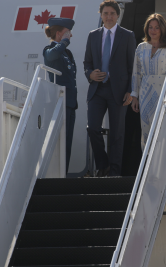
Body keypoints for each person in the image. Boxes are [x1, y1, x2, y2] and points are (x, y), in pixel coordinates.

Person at [84, 0, 136, 177]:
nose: (109, 17)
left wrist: (131, 90)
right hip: (97, 90)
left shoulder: (127, 35)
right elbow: (87, 63)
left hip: (119, 92)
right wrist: (90, 74)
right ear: (101, 15)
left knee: (117, 134)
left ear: (117, 15)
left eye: (112, 13)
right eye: (105, 13)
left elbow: (132, 67)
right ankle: (103, 164)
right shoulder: (93, 35)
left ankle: (114, 172)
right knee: (92, 128)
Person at [130, 14, 166, 149]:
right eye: (150, 27)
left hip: (164, 95)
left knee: (163, 132)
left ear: (162, 29)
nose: (153, 30)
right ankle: (148, 168)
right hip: (145, 95)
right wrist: (134, 96)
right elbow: (136, 72)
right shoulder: (141, 47)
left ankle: (161, 167)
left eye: (157, 27)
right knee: (146, 133)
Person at [43, 17, 77, 171]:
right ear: (59, 34)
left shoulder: (67, 53)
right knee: (59, 141)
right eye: (67, 33)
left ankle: (64, 173)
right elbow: (50, 57)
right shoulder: (49, 50)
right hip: (59, 102)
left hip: (69, 103)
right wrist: (64, 43)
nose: (70, 36)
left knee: (68, 142)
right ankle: (58, 173)